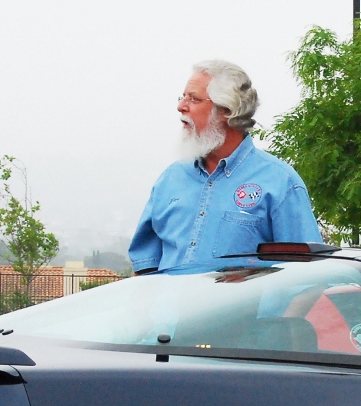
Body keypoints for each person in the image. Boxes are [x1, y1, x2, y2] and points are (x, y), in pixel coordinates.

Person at [129, 60, 323, 274]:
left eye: (193, 99)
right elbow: (145, 266)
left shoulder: (280, 182)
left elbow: (306, 275)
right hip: (170, 298)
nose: (181, 106)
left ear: (227, 110)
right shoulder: (170, 179)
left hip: (248, 299)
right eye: (182, 97)